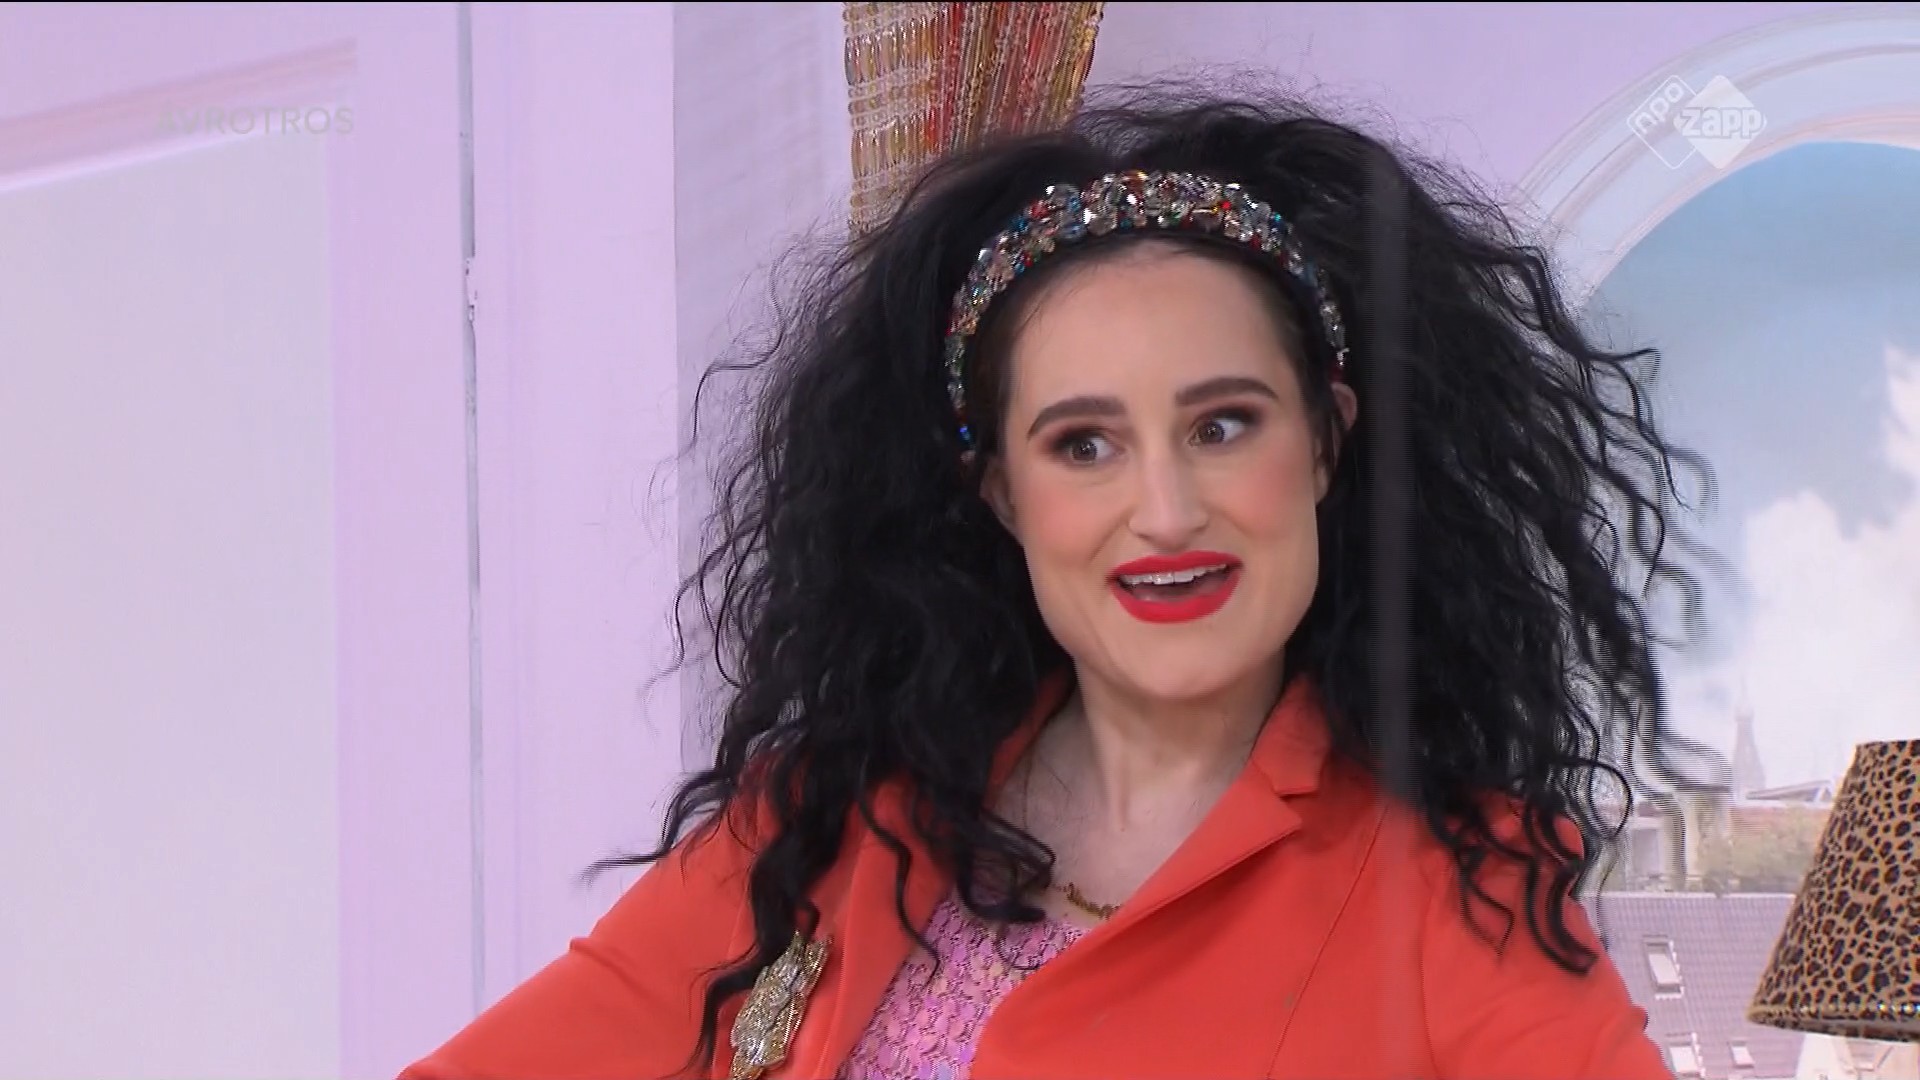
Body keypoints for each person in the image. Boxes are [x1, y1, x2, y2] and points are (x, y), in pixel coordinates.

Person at [400, 80, 1715, 1080]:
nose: (1166, 510)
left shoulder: (1457, 889)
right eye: (1083, 444)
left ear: (1325, 443)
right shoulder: (819, 821)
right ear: (1001, 495)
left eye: (1222, 425)